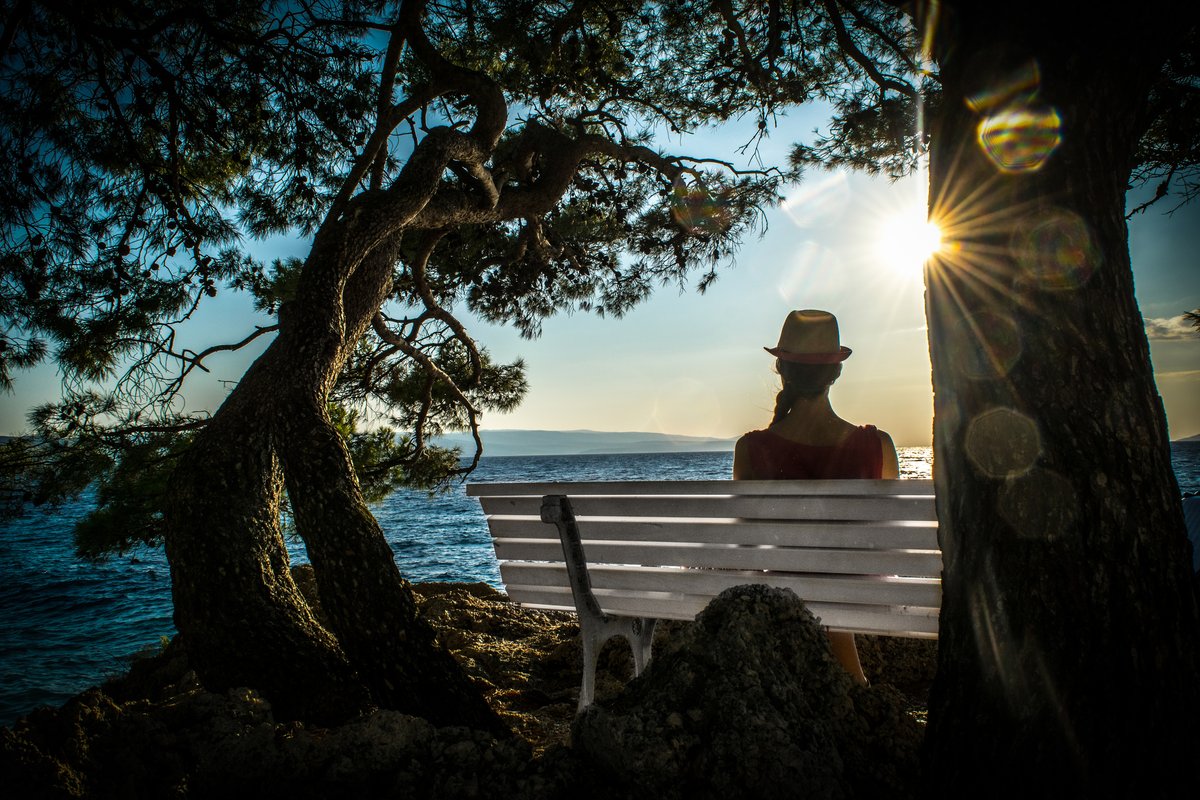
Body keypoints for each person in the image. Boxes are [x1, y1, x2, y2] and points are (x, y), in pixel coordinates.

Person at [733, 309, 899, 686]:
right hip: (865, 595)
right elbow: (891, 537)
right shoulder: (879, 445)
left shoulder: (751, 448)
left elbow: (745, 544)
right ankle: (854, 688)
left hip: (784, 594)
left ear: (781, 368)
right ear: (836, 372)